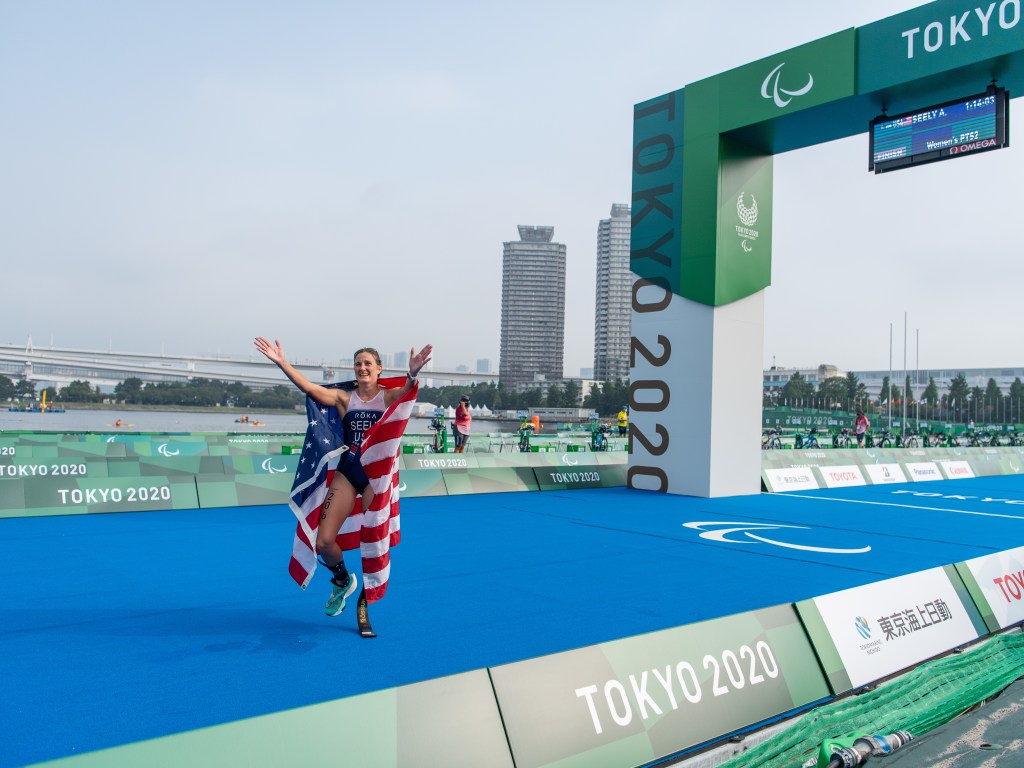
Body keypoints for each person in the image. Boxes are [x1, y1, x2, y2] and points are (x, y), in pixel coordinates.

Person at [254, 337, 432, 621]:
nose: (362, 368)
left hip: (375, 479)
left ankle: (370, 592)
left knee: (372, 538)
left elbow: (407, 392)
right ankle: (341, 581)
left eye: (368, 363)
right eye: (358, 364)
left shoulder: (386, 397)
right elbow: (309, 388)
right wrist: (282, 363)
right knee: (324, 542)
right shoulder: (344, 398)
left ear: (379, 369)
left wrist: (412, 374)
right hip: (348, 471)